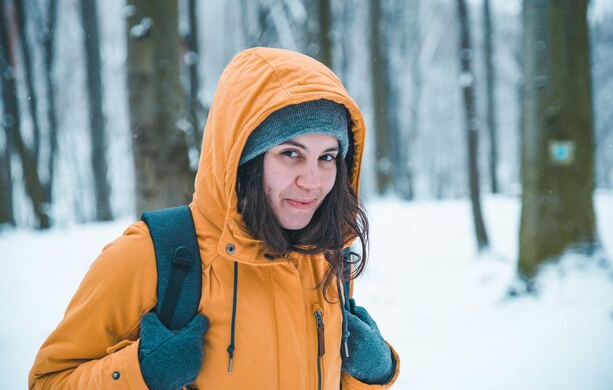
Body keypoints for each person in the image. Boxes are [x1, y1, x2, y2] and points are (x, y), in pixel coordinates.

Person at [29, 47, 400, 389]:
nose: (313, 180)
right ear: (244, 159)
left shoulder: (324, 258)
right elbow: (48, 380)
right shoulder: (155, 256)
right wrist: (139, 373)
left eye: (328, 156)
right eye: (291, 153)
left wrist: (368, 376)